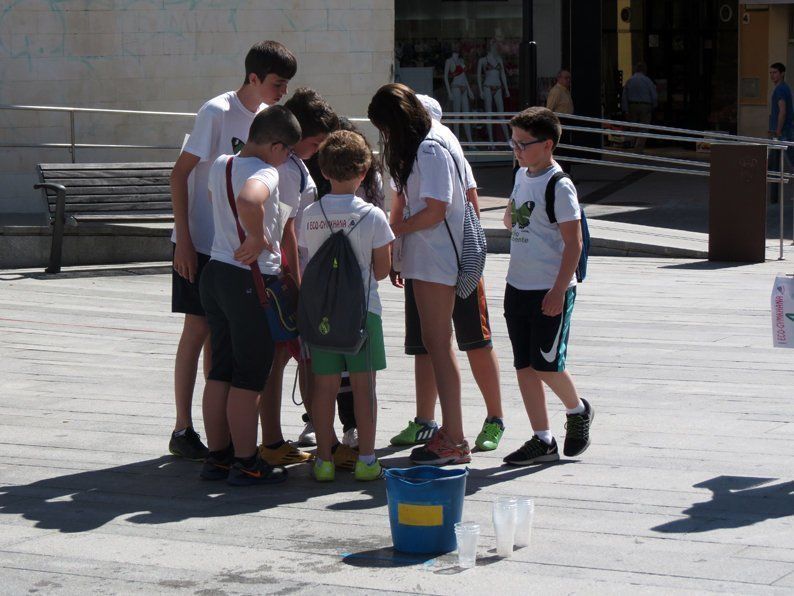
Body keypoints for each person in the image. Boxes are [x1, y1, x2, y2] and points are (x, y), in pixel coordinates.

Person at [168, 40, 296, 460]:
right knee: (197, 331)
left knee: (222, 347)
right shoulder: (217, 111)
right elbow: (180, 174)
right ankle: (184, 427)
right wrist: (183, 238)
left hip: (234, 251)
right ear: (253, 77)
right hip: (203, 242)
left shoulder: (266, 121)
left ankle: (221, 439)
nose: (282, 92)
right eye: (277, 84)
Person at [389, 94, 505, 453]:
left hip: (455, 260)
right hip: (421, 261)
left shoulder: (438, 146)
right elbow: (399, 202)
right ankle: (426, 421)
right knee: (425, 344)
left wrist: (467, 253)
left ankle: (493, 419)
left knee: (474, 341)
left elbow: (465, 204)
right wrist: (398, 254)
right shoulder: (414, 150)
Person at [369, 83, 471, 465]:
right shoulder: (435, 141)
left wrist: (394, 234)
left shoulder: (428, 147)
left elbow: (436, 209)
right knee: (437, 344)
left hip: (436, 257)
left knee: (438, 344)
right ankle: (452, 432)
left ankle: (455, 438)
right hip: (432, 256)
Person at [198, 105, 301, 485]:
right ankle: (247, 462)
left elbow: (219, 202)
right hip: (249, 280)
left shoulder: (222, 162)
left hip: (217, 272)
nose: (288, 157)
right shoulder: (266, 172)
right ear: (276, 146)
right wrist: (257, 237)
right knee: (249, 375)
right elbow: (248, 200)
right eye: (288, 150)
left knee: (220, 370)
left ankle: (218, 457)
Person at [298, 130, 394, 482]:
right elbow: (382, 270)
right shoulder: (373, 216)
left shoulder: (308, 214)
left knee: (323, 387)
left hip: (322, 313)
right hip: (363, 313)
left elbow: (305, 257)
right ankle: (367, 459)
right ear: (366, 170)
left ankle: (323, 459)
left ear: (323, 171)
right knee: (363, 387)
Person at [501, 106, 594, 466]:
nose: (517, 149)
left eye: (524, 143)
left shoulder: (560, 185)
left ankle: (577, 409)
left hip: (549, 288)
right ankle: (542, 439)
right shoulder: (521, 174)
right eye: (514, 142)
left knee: (547, 365)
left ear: (548, 144)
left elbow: (574, 243)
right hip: (517, 285)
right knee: (524, 365)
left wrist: (558, 291)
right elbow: (513, 220)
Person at [257, 88, 339, 468]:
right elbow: (287, 229)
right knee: (280, 358)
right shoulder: (287, 169)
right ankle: (272, 438)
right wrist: (299, 281)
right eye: (315, 142)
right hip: (289, 272)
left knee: (289, 358)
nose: (318, 149)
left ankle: (281, 436)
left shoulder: (293, 164)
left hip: (293, 267)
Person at [477, 39, 511, 146]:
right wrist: (481, 90)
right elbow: (478, 76)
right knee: (489, 115)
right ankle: (491, 142)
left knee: (501, 114)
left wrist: (506, 89)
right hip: (487, 87)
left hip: (498, 87)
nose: (495, 46)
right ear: (490, 46)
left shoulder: (499, 59)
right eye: (493, 44)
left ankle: (508, 140)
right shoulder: (482, 60)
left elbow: (503, 75)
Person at [620, 62, 657, 151]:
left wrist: (625, 109)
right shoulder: (648, 81)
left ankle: (630, 144)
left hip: (632, 105)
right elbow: (654, 95)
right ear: (644, 70)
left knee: (633, 127)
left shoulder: (630, 80)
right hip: (645, 106)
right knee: (644, 128)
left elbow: (624, 96)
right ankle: (638, 147)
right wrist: (654, 106)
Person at [444, 44, 475, 143]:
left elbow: (464, 76)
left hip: (464, 88)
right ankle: (457, 141)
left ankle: (470, 141)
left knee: (466, 115)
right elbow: (445, 77)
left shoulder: (461, 61)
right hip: (455, 88)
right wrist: (449, 92)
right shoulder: (449, 61)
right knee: (457, 115)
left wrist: (469, 90)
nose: (456, 48)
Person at [769, 62, 794, 168]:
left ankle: (774, 183)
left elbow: (782, 111)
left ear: (782, 74)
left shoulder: (780, 90)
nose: (772, 75)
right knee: (773, 164)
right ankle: (774, 184)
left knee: (776, 163)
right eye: (770, 73)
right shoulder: (785, 88)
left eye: (775, 72)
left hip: (782, 133)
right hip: (782, 131)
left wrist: (778, 131)